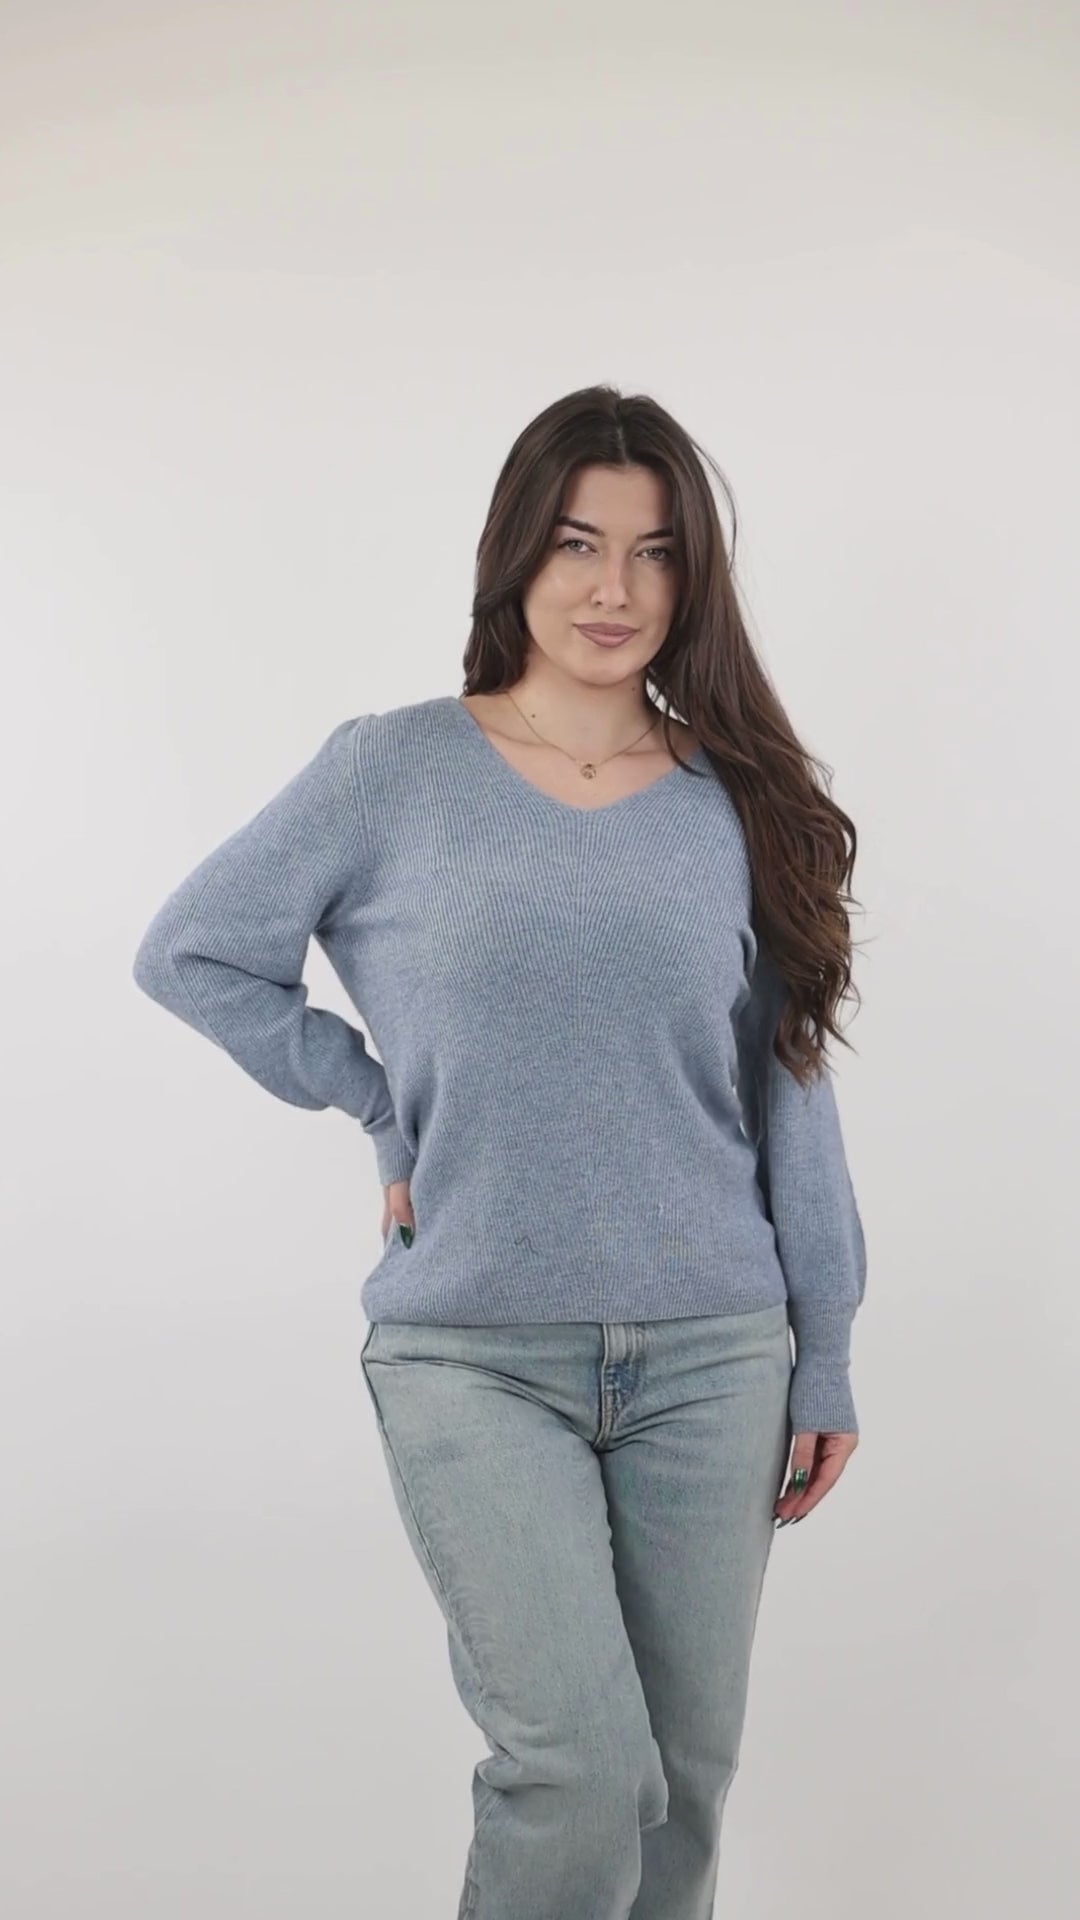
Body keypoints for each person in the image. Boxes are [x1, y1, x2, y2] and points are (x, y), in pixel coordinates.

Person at [132, 382, 868, 1919]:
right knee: (578, 1773)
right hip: (473, 1352)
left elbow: (791, 1093)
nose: (615, 590)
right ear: (516, 553)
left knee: (683, 1786)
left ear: (694, 577)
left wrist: (827, 1353)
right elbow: (195, 951)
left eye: (656, 553)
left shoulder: (741, 801)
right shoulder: (389, 770)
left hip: (717, 1354)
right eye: (579, 544)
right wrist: (375, 1099)